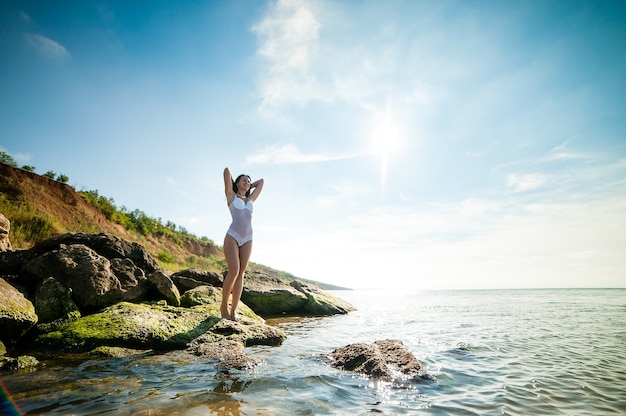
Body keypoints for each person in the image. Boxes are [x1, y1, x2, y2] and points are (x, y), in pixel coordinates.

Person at [221, 167, 264, 321]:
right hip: (232, 236)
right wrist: (235, 185)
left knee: (241, 274)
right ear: (237, 183)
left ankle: (233, 311)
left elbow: (261, 182)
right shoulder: (231, 196)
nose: (247, 182)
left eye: (249, 181)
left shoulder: (251, 199)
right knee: (234, 270)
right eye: (244, 180)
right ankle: (223, 307)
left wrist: (248, 186)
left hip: (248, 238)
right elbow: (226, 171)